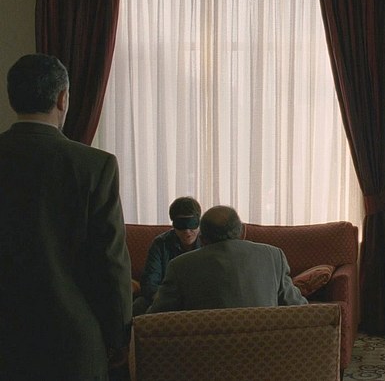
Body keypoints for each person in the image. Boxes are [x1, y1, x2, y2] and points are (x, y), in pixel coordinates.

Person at [0, 54, 132, 380]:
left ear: (12, 97)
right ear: (63, 98)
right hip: (71, 342)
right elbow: (110, 262)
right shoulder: (94, 166)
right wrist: (119, 334)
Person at [147, 205, 307, 313]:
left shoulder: (179, 266)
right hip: (264, 348)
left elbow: (155, 316)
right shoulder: (274, 256)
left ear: (202, 239)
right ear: (242, 233)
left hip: (202, 350)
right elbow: (298, 307)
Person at [132, 196, 202, 316]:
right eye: (181, 225)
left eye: (192, 224)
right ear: (173, 224)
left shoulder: (209, 242)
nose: (187, 231)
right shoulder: (161, 244)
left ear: (199, 222)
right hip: (166, 298)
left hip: (200, 298)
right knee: (140, 305)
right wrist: (166, 300)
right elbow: (150, 282)